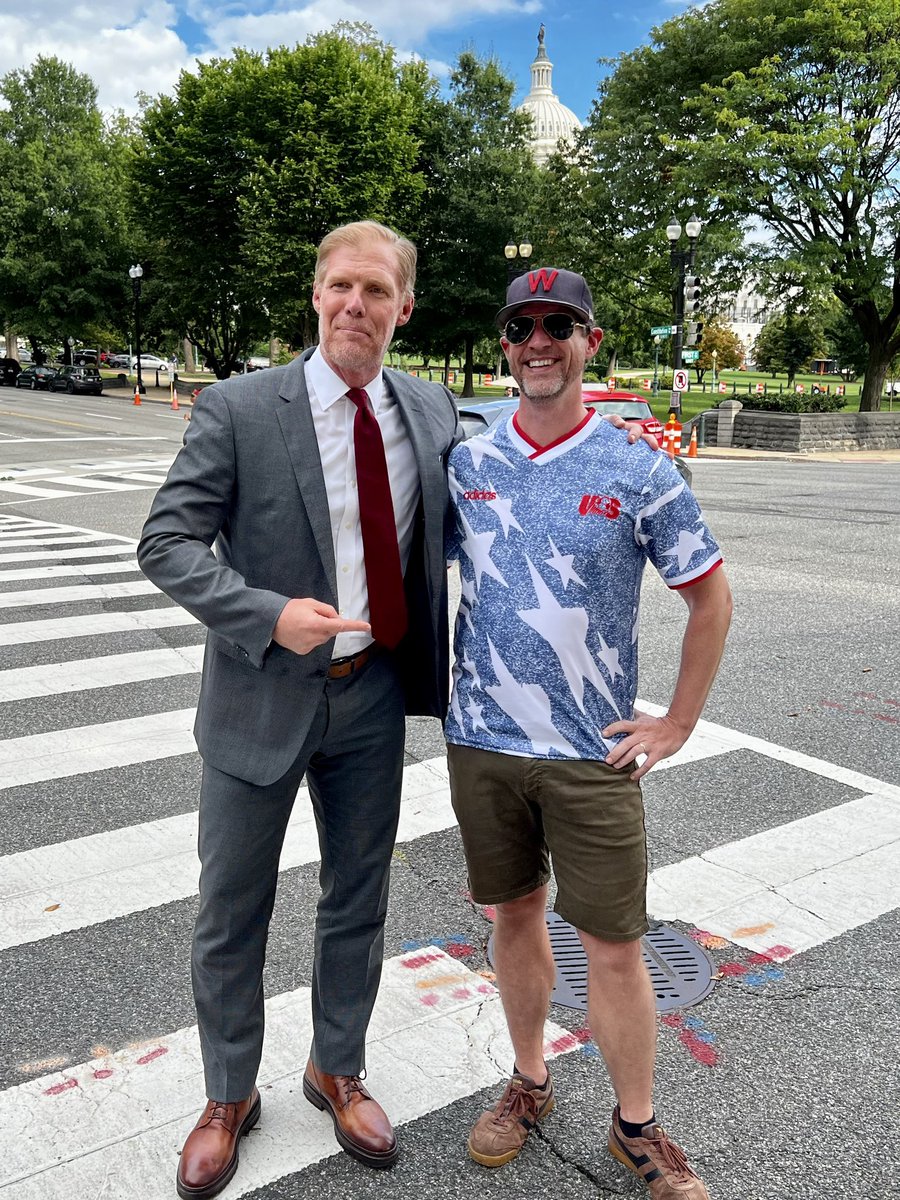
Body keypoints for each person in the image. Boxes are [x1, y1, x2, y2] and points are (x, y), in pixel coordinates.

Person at [138, 220, 461, 1199]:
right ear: (315, 296)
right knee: (232, 907)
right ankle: (228, 1091)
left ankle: (335, 1067)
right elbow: (166, 542)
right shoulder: (240, 408)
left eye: (375, 290)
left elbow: (477, 517)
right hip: (258, 697)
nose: (353, 305)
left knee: (356, 899)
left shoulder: (432, 409)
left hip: (371, 697)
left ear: (405, 307)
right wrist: (266, 614)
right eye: (338, 287)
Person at [445, 267, 733, 1200]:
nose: (539, 340)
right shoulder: (469, 462)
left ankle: (636, 1125)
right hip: (484, 741)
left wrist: (679, 719)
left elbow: (710, 599)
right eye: (522, 325)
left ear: (589, 342)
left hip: (591, 753)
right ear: (505, 344)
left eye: (558, 325)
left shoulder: (642, 467)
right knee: (515, 916)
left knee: (612, 944)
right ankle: (529, 1083)